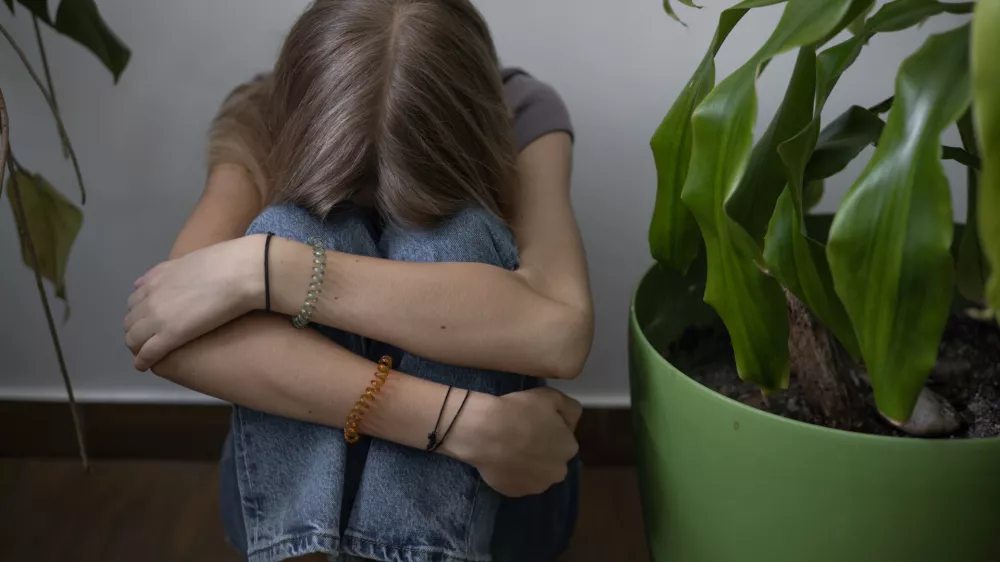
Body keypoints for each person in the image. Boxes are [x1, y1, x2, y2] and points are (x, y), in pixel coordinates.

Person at [124, 1, 593, 561]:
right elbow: (162, 328)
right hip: (480, 448)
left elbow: (560, 333)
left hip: (501, 501)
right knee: (292, 225)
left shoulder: (524, 113)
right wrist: (464, 426)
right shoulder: (263, 114)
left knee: (452, 237)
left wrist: (267, 269)